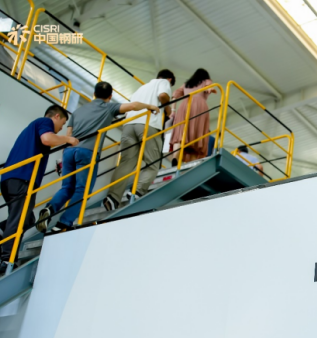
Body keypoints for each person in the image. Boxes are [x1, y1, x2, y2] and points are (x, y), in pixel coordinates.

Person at [36, 82, 158, 233]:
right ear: (110, 96)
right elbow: (133, 106)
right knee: (82, 190)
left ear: (94, 94)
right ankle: (63, 223)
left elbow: (68, 135)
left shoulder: (78, 111)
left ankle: (50, 209)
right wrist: (150, 106)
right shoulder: (108, 107)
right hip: (87, 152)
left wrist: (63, 159)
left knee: (67, 187)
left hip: (68, 152)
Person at [0, 105, 77, 273]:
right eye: (62, 123)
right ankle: (6, 260)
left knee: (27, 219)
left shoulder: (32, 129)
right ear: (56, 116)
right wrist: (68, 139)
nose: (61, 128)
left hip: (10, 179)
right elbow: (47, 139)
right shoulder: (45, 122)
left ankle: (1, 230)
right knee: (19, 219)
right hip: (22, 179)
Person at [102, 69, 175, 211]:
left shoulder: (141, 88)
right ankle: (137, 192)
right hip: (148, 124)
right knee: (153, 163)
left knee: (126, 163)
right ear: (170, 80)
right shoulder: (164, 82)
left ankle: (112, 198)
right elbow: (163, 95)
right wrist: (168, 109)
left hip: (129, 125)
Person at [169, 68, 216, 164]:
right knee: (196, 135)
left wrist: (173, 111)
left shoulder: (187, 84)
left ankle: (175, 157)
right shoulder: (206, 81)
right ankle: (192, 163)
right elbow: (208, 87)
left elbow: (175, 95)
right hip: (199, 106)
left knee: (181, 131)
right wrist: (210, 89)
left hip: (185, 105)